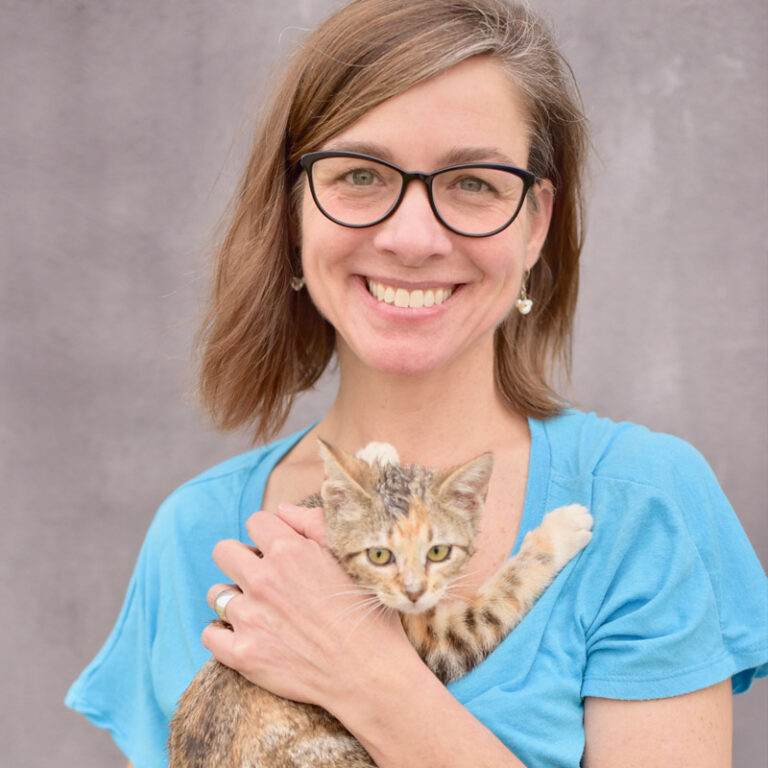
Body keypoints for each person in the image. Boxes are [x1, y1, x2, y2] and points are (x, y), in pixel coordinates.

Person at [66, 1, 768, 766]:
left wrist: (367, 678)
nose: (412, 238)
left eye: (471, 182)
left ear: (534, 224)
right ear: (293, 212)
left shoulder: (641, 503)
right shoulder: (193, 532)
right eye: (361, 174)